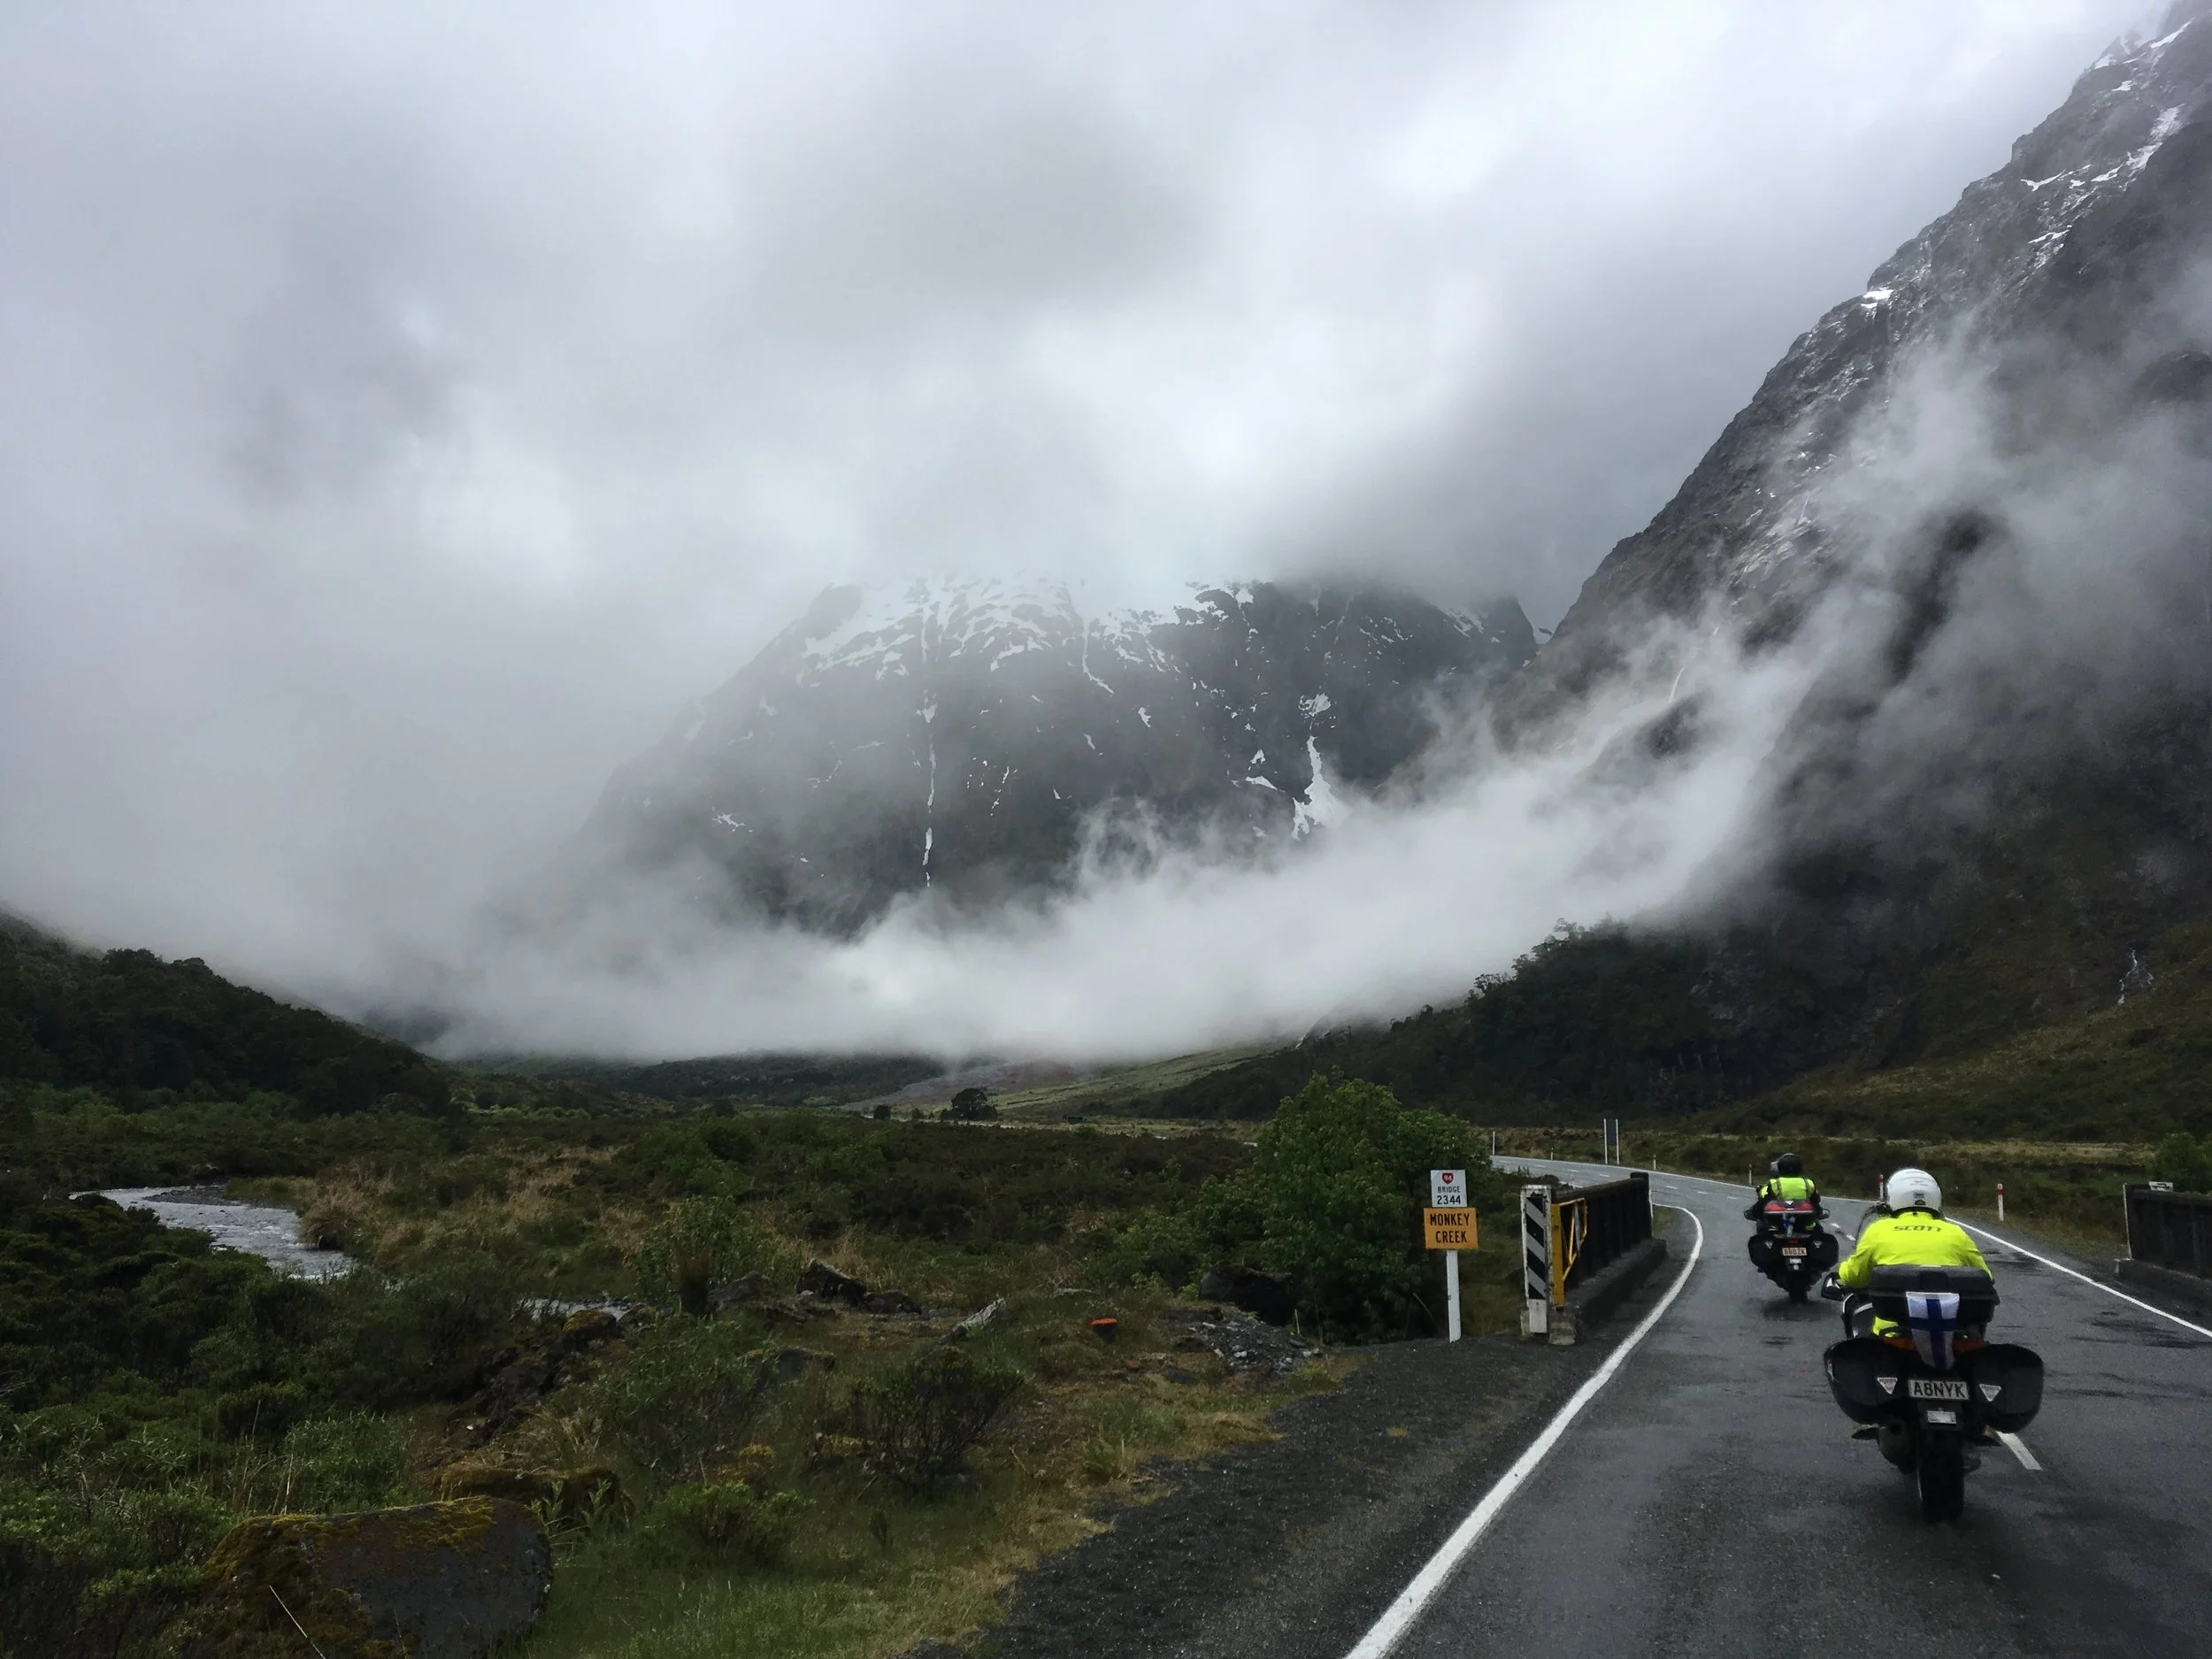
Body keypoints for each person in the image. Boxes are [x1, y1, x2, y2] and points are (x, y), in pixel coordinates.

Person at [1833, 1167, 1991, 1335]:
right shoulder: (1956, 1233)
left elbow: (1855, 1277)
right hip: (1953, 1332)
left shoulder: (1878, 1230)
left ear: (1892, 1196)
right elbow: (1986, 1277)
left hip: (1892, 1334)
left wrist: (1842, 1274)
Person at [1743, 1152, 1824, 1221]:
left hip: (1778, 1221)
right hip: (1804, 1220)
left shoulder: (1775, 1182)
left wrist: (1755, 1212)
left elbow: (1765, 1200)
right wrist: (1819, 1212)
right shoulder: (1808, 1182)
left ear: (1780, 1167)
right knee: (1818, 1229)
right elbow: (1815, 1200)